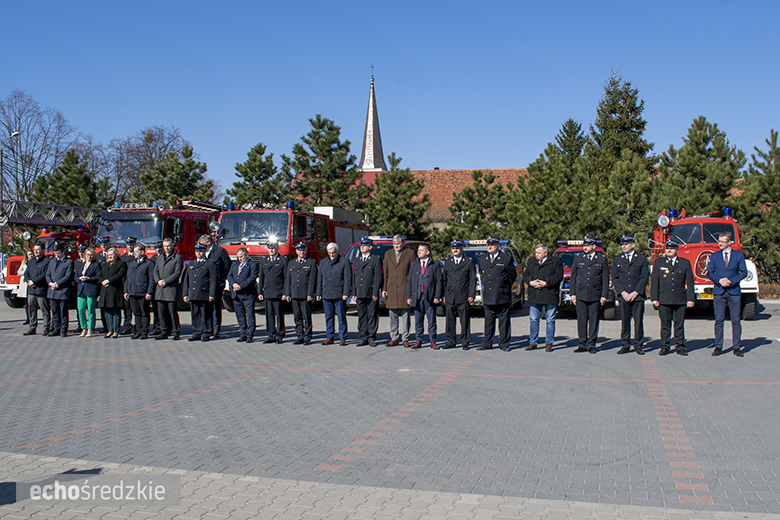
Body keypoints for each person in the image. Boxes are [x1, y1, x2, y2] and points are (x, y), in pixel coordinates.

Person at [707, 231, 747, 357]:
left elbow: (743, 272)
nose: (720, 244)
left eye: (723, 241)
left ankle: (737, 347)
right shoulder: (714, 256)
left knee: (735, 320)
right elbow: (710, 272)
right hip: (719, 291)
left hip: (733, 291)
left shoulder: (738, 256)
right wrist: (719, 280)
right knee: (719, 320)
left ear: (730, 242)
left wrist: (731, 281)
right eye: (719, 241)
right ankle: (718, 346)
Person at [651, 241, 695, 356]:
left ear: (677, 250)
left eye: (671, 248)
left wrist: (690, 299)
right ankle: (664, 346)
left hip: (679, 299)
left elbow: (690, 282)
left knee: (679, 325)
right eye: (667, 248)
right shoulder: (659, 262)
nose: (669, 250)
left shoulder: (684, 263)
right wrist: (654, 298)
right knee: (665, 325)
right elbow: (654, 281)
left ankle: (680, 346)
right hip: (664, 299)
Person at [570, 236, 609, 354]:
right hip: (581, 293)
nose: (585, 247)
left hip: (595, 294)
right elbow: (573, 277)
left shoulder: (601, 259)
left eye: (587, 245)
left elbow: (605, 279)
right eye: (584, 245)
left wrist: (604, 295)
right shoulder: (578, 258)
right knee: (581, 320)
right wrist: (572, 293)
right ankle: (582, 343)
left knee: (593, 320)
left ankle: (591, 344)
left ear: (594, 246)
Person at [611, 235, 650, 355]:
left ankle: (638, 345)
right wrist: (623, 292)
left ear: (632, 244)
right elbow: (615, 278)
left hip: (637, 295)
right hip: (624, 296)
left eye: (626, 244)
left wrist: (635, 292)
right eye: (622, 244)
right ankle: (625, 345)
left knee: (638, 321)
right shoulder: (617, 259)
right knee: (625, 321)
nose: (623, 246)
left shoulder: (641, 258)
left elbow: (644, 277)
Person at [477, 237, 517, 351]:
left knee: (503, 322)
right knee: (488, 321)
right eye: (488, 245)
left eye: (492, 245)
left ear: (497, 246)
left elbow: (512, 275)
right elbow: (482, 273)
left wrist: (504, 286)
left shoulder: (505, 258)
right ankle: (487, 342)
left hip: (501, 294)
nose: (489, 247)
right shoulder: (482, 258)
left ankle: (504, 343)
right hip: (488, 295)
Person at [523, 243, 563, 352]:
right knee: (534, 319)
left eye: (539, 253)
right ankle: (533, 342)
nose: (537, 255)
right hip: (535, 295)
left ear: (545, 253)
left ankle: (549, 343)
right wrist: (531, 282)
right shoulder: (532, 261)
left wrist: (546, 283)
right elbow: (525, 274)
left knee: (550, 320)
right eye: (536, 253)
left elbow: (558, 276)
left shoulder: (555, 261)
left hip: (549, 294)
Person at [407, 243, 442, 349]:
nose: (418, 252)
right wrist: (409, 296)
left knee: (431, 321)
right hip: (417, 297)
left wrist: (437, 296)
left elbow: (438, 281)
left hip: (429, 297)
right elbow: (410, 281)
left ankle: (433, 341)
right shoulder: (414, 264)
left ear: (427, 252)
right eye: (418, 250)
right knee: (418, 320)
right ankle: (418, 340)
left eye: (421, 250)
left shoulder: (434, 265)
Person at [442, 240, 476, 350]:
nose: (455, 250)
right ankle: (450, 341)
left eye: (457, 248)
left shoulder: (468, 262)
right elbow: (444, 280)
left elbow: (472, 279)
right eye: (453, 248)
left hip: (463, 295)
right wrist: (444, 295)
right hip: (450, 296)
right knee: (450, 321)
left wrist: (471, 294)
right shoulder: (448, 261)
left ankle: (465, 342)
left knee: (464, 320)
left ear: (462, 249)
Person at [382, 235, 415, 347]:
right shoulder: (388, 254)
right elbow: (385, 273)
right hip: (391, 288)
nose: (396, 246)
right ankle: (394, 338)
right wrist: (384, 288)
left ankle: (405, 338)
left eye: (398, 244)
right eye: (394, 244)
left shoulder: (410, 253)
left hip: (405, 288)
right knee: (392, 315)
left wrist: (412, 290)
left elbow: (413, 273)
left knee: (406, 315)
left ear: (403, 243)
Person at [316, 242, 351, 346]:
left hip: (339, 294)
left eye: (333, 253)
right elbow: (320, 279)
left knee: (341, 316)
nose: (332, 255)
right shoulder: (323, 262)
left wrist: (346, 293)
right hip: (326, 294)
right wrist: (318, 292)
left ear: (338, 251)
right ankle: (330, 336)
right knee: (328, 317)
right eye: (329, 253)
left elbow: (347, 279)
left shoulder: (344, 262)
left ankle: (342, 337)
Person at [284, 242, 318, 345]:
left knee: (306, 316)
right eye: (299, 250)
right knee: (297, 316)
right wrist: (287, 294)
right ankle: (300, 335)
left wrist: (310, 294)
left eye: (303, 250)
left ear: (306, 251)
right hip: (295, 294)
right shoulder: (292, 263)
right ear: (296, 251)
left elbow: (312, 280)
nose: (301, 252)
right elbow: (288, 280)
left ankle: (307, 336)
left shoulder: (310, 263)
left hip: (305, 294)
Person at [182, 243, 217, 342]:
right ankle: (196, 332)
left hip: (204, 293)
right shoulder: (191, 264)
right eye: (197, 251)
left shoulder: (209, 263)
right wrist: (185, 294)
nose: (198, 253)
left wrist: (211, 294)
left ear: (204, 252)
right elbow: (186, 280)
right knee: (195, 314)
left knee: (206, 314)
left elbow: (213, 280)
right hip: (193, 294)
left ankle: (206, 332)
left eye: (200, 251)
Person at [200, 234, 231, 338]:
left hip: (217, 283)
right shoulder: (203, 252)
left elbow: (227, 265)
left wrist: (222, 279)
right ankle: (207, 327)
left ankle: (216, 328)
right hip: (205, 283)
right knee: (206, 306)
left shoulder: (220, 251)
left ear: (208, 242)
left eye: (202, 244)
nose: (201, 247)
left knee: (216, 306)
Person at [352, 237, 383, 346]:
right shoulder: (357, 260)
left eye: (364, 245)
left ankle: (371, 337)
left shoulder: (375, 259)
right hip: (359, 292)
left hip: (370, 293)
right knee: (361, 315)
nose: (362, 247)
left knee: (372, 315)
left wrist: (375, 292)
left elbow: (377, 277)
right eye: (361, 245)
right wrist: (353, 292)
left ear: (370, 247)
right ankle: (363, 336)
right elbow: (354, 278)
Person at [258, 240, 288, 343]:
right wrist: (260, 292)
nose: (271, 250)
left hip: (278, 292)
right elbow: (261, 277)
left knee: (279, 314)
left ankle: (280, 334)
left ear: (277, 248)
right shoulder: (265, 260)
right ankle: (271, 334)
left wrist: (285, 292)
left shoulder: (283, 260)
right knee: (269, 315)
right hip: (268, 292)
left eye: (273, 248)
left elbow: (286, 278)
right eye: (270, 248)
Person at [227, 247, 259, 343]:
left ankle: (250, 334)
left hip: (247, 294)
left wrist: (241, 286)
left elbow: (252, 277)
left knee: (249, 315)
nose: (239, 259)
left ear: (246, 255)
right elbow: (229, 275)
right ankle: (243, 333)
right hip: (236, 294)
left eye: (241, 257)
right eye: (238, 257)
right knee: (240, 315)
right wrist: (233, 284)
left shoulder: (252, 264)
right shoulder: (235, 264)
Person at [153, 238, 183, 340]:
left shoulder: (177, 258)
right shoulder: (159, 258)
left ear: (172, 245)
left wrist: (165, 281)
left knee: (172, 312)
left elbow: (177, 273)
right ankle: (164, 331)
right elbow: (155, 271)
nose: (167, 248)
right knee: (161, 312)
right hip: (160, 289)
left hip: (170, 289)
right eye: (165, 246)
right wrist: (158, 281)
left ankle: (176, 332)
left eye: (168, 246)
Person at [124, 243, 155, 340]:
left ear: (142, 252)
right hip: (133, 292)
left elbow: (151, 279)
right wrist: (126, 291)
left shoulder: (149, 264)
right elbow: (128, 278)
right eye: (134, 251)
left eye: (136, 251)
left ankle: (144, 332)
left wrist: (149, 292)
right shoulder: (132, 264)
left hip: (143, 293)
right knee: (136, 313)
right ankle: (138, 331)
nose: (134, 253)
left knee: (144, 313)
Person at [46, 243, 75, 337]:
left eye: (58, 253)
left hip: (62, 290)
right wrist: (50, 283)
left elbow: (68, 276)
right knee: (54, 311)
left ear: (63, 252)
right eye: (55, 253)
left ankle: (63, 330)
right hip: (52, 290)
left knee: (63, 311)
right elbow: (48, 274)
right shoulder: (52, 261)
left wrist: (57, 284)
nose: (56, 255)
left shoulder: (69, 262)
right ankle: (56, 328)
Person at [23, 243, 51, 336]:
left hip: (41, 289)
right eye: (34, 249)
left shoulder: (47, 261)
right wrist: (29, 281)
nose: (35, 251)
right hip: (31, 290)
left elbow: (45, 275)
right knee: (31, 309)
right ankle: (32, 327)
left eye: (38, 249)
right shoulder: (31, 261)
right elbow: (26, 273)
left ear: (43, 250)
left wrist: (34, 281)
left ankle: (46, 327)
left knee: (44, 309)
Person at [99, 247, 127, 339]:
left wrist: (109, 280)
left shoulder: (121, 264)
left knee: (115, 311)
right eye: (109, 255)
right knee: (107, 311)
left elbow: (120, 275)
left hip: (115, 290)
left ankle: (116, 330)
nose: (110, 256)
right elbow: (100, 275)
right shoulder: (105, 264)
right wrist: (102, 281)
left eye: (112, 254)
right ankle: (110, 330)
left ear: (116, 255)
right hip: (105, 290)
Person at [75, 246, 101, 338]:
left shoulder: (95, 265)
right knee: (81, 309)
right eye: (87, 255)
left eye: (91, 255)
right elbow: (75, 276)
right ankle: (83, 328)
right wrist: (79, 278)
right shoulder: (81, 265)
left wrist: (88, 278)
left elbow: (98, 277)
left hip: (91, 289)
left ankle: (90, 329)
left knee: (90, 310)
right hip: (81, 289)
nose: (89, 257)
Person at [119, 237, 137, 335]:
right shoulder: (123, 257)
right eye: (128, 245)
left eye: (131, 244)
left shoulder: (136, 256)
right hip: (126, 283)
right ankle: (127, 325)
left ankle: (138, 326)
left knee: (136, 307)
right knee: (126, 307)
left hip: (135, 284)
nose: (130, 246)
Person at [148, 242, 164, 336]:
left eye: (159, 248)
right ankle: (157, 327)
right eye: (156, 248)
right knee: (155, 308)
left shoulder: (164, 257)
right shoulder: (153, 258)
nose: (158, 250)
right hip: (155, 284)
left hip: (162, 284)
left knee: (162, 308)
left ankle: (164, 327)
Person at [18, 249, 33, 326]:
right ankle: (28, 318)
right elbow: (18, 272)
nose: (30, 256)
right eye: (29, 254)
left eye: (31, 254)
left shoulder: (34, 262)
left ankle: (32, 318)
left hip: (31, 283)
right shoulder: (24, 263)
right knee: (26, 303)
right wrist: (25, 272)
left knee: (31, 303)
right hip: (24, 283)